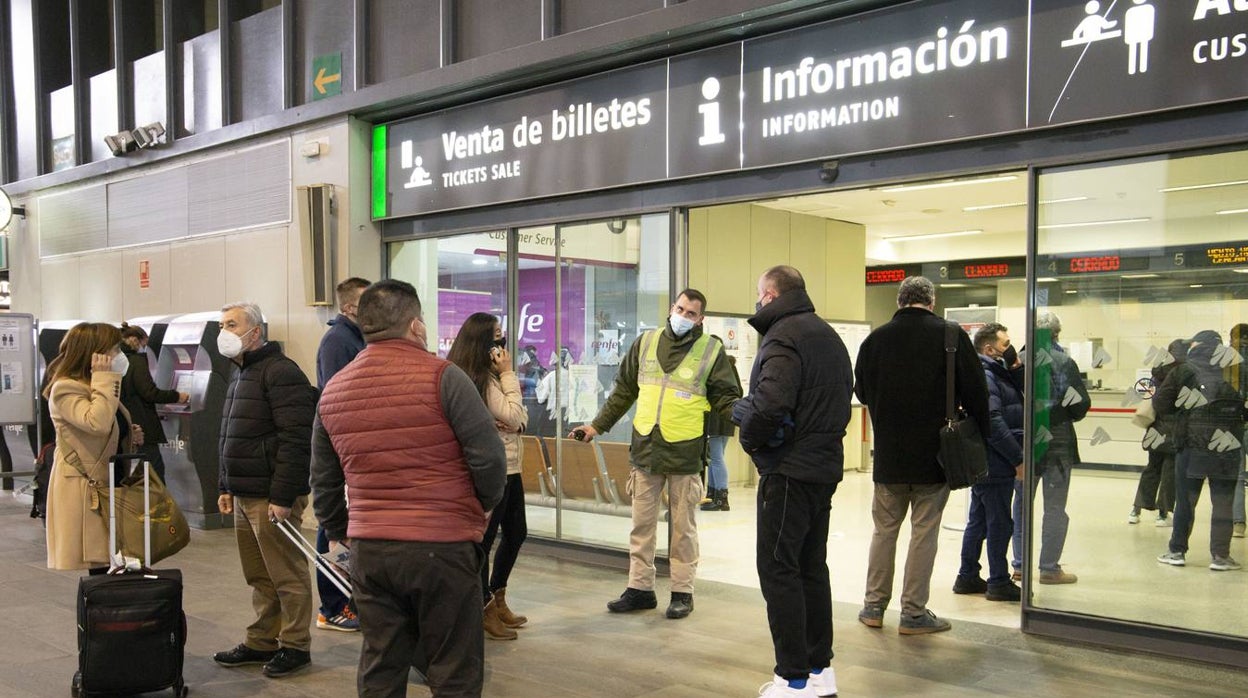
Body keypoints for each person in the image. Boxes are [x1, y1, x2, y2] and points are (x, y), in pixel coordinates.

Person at [311, 280, 506, 697]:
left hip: (371, 549)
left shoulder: (334, 391)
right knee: (453, 667)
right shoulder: (445, 377)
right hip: (444, 545)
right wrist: (481, 508)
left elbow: (324, 482)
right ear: (416, 325)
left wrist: (341, 528)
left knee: (381, 661)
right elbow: (489, 459)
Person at [572, 289, 741, 620]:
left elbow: (727, 396)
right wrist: (595, 427)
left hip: (685, 452)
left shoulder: (710, 350)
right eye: (680, 309)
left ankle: (682, 592)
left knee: (683, 529)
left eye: (691, 313)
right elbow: (623, 391)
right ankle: (639, 589)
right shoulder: (645, 343)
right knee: (641, 525)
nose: (683, 316)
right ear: (671, 308)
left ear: (700, 319)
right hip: (646, 449)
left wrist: (748, 418)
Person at [733, 266, 851, 698]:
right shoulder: (828, 336)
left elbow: (770, 405)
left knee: (779, 569)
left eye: (758, 295)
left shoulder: (783, 337)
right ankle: (820, 672)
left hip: (789, 471)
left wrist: (748, 436)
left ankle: (792, 678)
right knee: (810, 569)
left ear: (769, 294)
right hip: (823, 468)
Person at [854, 276, 988, 635]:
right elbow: (977, 393)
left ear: (900, 301)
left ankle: (873, 606)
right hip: (935, 456)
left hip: (888, 457)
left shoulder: (875, 339)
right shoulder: (950, 335)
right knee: (923, 532)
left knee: (884, 531)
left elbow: (862, 390)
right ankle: (913, 612)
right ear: (932, 301)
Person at [211, 302, 317, 679]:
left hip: (271, 494)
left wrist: (283, 497)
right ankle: (262, 640)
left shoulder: (281, 372)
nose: (224, 330)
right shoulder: (240, 372)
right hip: (244, 492)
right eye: (222, 323)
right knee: (259, 575)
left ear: (255, 332)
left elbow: (296, 439)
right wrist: (225, 485)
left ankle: (295, 645)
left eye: (232, 324)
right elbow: (231, 435)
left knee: (286, 574)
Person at [447, 312, 530, 642]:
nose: (502, 343)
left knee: (516, 533)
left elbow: (513, 421)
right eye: (496, 336)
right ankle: (483, 608)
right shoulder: (480, 378)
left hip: (512, 467)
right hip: (491, 470)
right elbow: (518, 417)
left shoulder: (489, 378)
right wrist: (509, 375)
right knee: (484, 540)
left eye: (503, 335)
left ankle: (497, 596)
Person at [45, 323, 143, 570]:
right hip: (85, 486)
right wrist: (104, 378)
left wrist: (127, 434)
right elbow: (96, 422)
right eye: (113, 348)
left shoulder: (94, 386)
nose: (118, 355)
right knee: (99, 564)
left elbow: (104, 426)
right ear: (94, 353)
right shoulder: (66, 387)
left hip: (108, 481)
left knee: (110, 564)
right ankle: (98, 609)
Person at [1155, 330, 1246, 571]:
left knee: (1186, 500)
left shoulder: (1183, 370)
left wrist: (1183, 417)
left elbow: (1161, 404)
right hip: (1227, 445)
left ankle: (1176, 551)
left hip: (1191, 444)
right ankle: (1220, 556)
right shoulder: (1236, 370)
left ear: (1196, 345)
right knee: (1223, 501)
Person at [312, 277, 370, 633]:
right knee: (332, 527)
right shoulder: (338, 341)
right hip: (340, 448)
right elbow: (337, 398)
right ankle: (332, 606)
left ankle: (348, 598)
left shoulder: (359, 339)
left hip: (356, 446)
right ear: (349, 308)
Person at [1012, 311, 1087, 585]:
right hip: (1057, 442)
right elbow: (1079, 405)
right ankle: (1049, 568)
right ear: (1057, 332)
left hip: (1024, 440)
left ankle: (1019, 565)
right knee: (1055, 507)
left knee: (1021, 504)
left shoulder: (1017, 362)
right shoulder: (1065, 361)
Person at [954, 323, 1023, 603]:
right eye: (1006, 344)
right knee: (999, 523)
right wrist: (1017, 458)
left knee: (979, 521)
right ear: (988, 349)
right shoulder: (986, 375)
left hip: (987, 460)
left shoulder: (996, 372)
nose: (1010, 348)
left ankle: (968, 575)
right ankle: (998, 581)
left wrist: (1015, 367)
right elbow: (993, 420)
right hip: (995, 461)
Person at [118, 323, 189, 483]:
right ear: (136, 340)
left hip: (127, 423)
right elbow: (149, 392)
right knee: (155, 470)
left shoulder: (119, 361)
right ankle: (159, 506)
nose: (145, 347)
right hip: (142, 425)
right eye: (145, 343)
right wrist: (177, 396)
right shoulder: (136, 361)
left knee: (139, 470)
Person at [1128, 339, 1186, 526]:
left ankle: (1136, 510)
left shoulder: (1158, 371)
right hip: (1174, 428)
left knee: (1151, 468)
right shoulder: (1184, 373)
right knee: (1170, 471)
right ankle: (1163, 514)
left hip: (1155, 427)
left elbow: (1150, 397)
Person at [702, 342, 739, 513]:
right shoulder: (730, 366)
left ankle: (721, 498)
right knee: (716, 457)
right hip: (728, 418)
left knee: (715, 458)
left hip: (716, 418)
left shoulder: (714, 367)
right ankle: (713, 494)